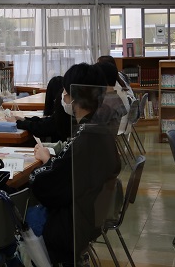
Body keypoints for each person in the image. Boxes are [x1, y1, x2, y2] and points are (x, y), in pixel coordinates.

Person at [29, 63, 121, 264]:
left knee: (18, 213)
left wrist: (44, 166)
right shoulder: (99, 131)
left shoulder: (86, 138)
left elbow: (46, 186)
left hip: (70, 226)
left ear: (74, 95)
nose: (62, 96)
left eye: (64, 90)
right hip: (91, 217)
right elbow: (70, 173)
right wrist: (50, 161)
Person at [6, 76, 72, 142]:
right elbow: (47, 121)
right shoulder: (65, 110)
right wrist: (24, 119)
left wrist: (18, 123)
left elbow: (43, 127)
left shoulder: (66, 111)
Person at [95, 61, 128, 132]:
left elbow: (95, 123)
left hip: (101, 139)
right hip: (108, 139)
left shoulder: (108, 102)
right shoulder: (114, 96)